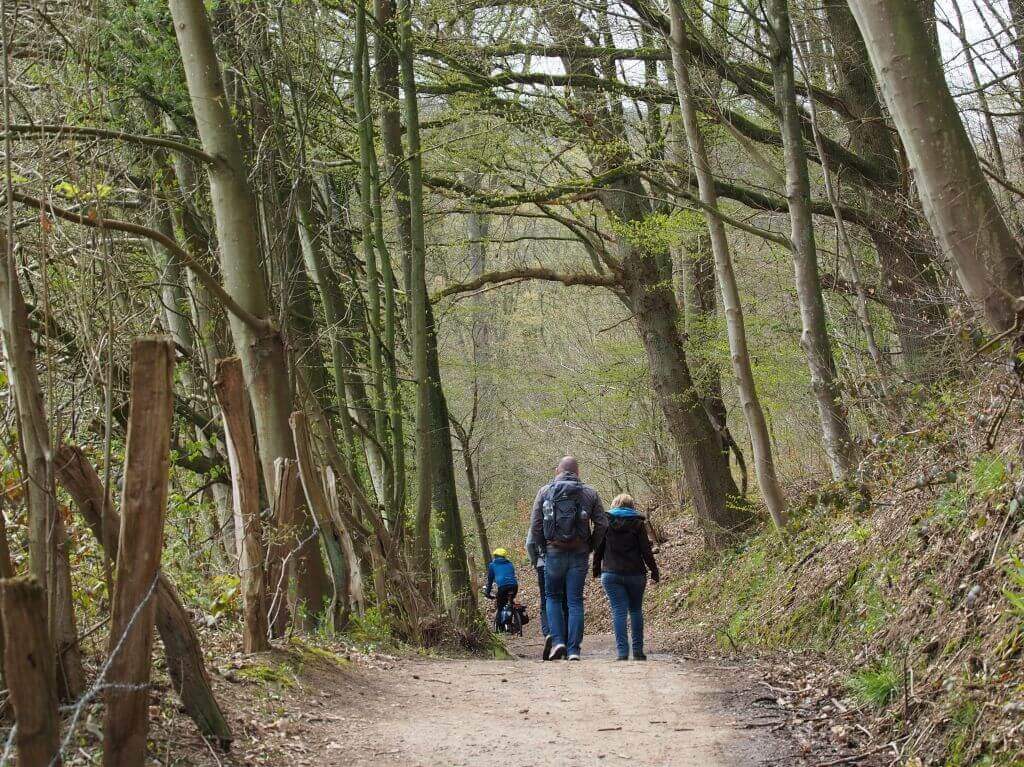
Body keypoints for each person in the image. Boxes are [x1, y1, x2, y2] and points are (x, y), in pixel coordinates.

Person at [529, 456, 607, 661]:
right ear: (577, 472)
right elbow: (602, 524)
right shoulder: (590, 493)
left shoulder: (544, 492)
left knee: (553, 598)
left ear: (558, 471)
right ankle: (573, 651)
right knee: (575, 601)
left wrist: (543, 547)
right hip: (580, 553)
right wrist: (590, 545)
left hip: (553, 551)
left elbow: (536, 525)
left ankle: (558, 642)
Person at [592, 493, 660, 661]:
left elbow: (598, 548)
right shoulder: (638, 524)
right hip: (636, 574)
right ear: (631, 506)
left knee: (618, 611)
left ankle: (622, 652)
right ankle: (637, 651)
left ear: (615, 505)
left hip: (611, 574)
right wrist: (654, 571)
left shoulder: (605, 522)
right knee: (636, 610)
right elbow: (646, 551)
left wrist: (596, 569)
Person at [526, 526, 568, 660]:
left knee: (546, 601)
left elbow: (529, 544)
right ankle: (564, 641)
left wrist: (535, 561)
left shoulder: (539, 517)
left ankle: (549, 634)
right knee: (564, 602)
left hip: (543, 563)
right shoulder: (568, 509)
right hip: (564, 564)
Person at [485, 548, 519, 629]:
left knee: (500, 606)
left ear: (495, 556)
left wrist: (487, 592)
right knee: (510, 601)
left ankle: (500, 628)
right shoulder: (510, 564)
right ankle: (514, 622)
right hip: (514, 586)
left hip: (503, 587)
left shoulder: (492, 565)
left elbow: (490, 580)